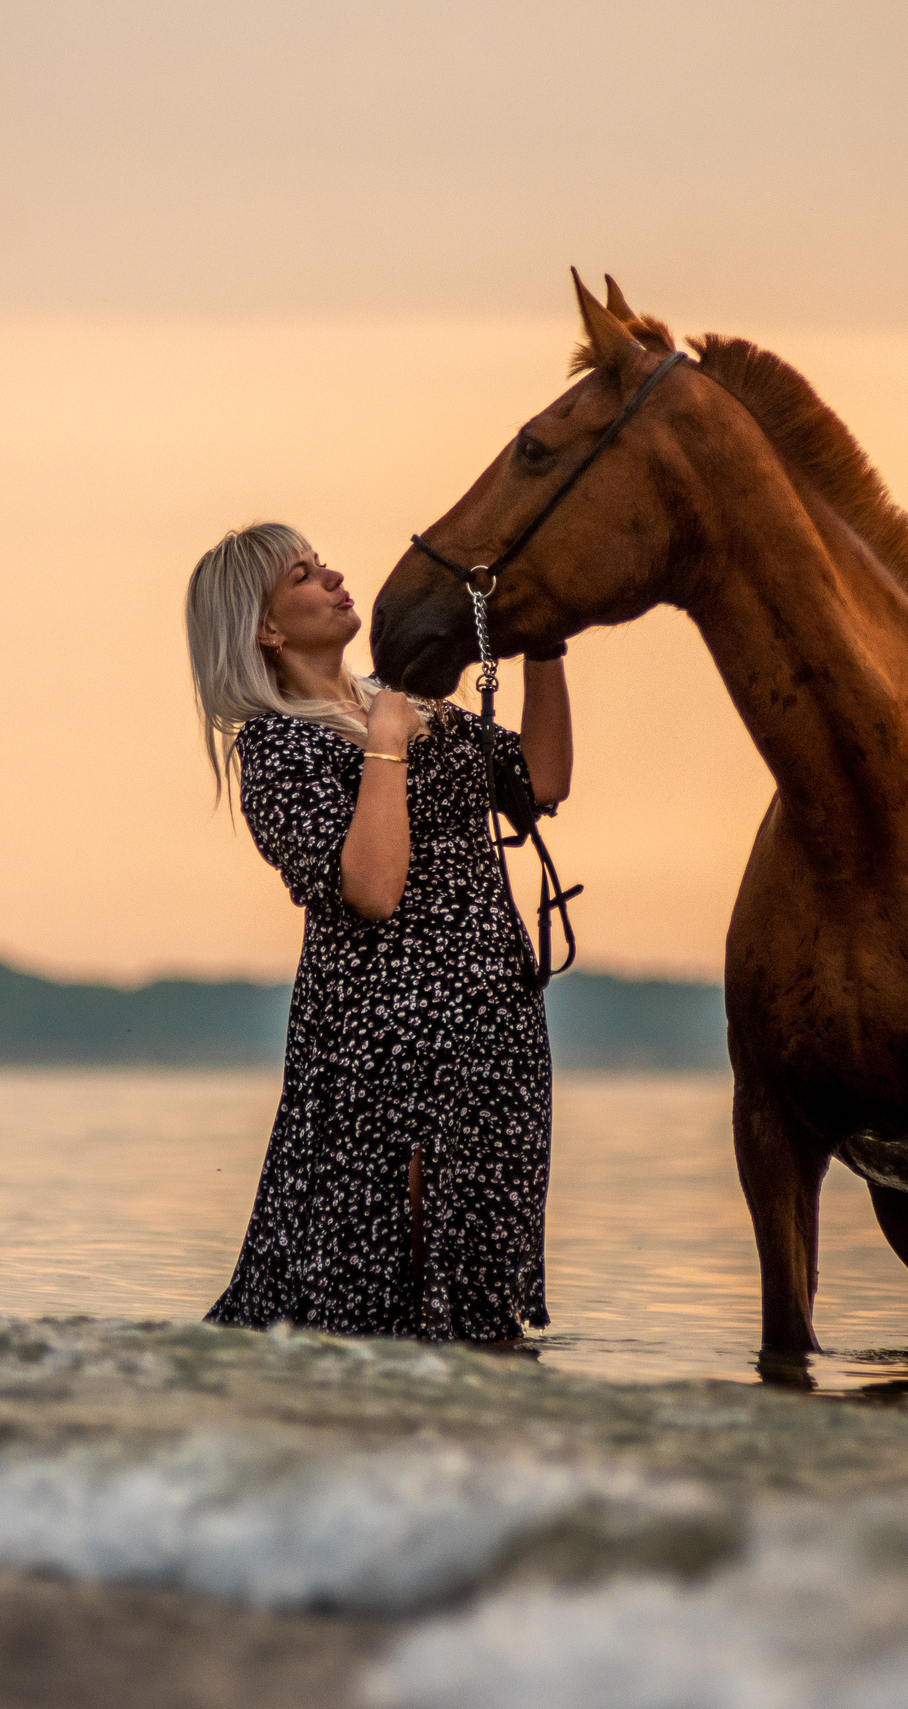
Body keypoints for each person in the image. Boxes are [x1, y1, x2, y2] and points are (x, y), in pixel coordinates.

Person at [185, 521, 572, 1343]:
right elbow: (372, 886)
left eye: (323, 562)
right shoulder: (280, 748)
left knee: (480, 1316)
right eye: (304, 575)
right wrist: (385, 746)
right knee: (376, 1316)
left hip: (495, 1052)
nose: (334, 578)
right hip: (386, 1074)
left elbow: (541, 779)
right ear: (267, 628)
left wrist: (547, 647)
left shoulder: (417, 707)